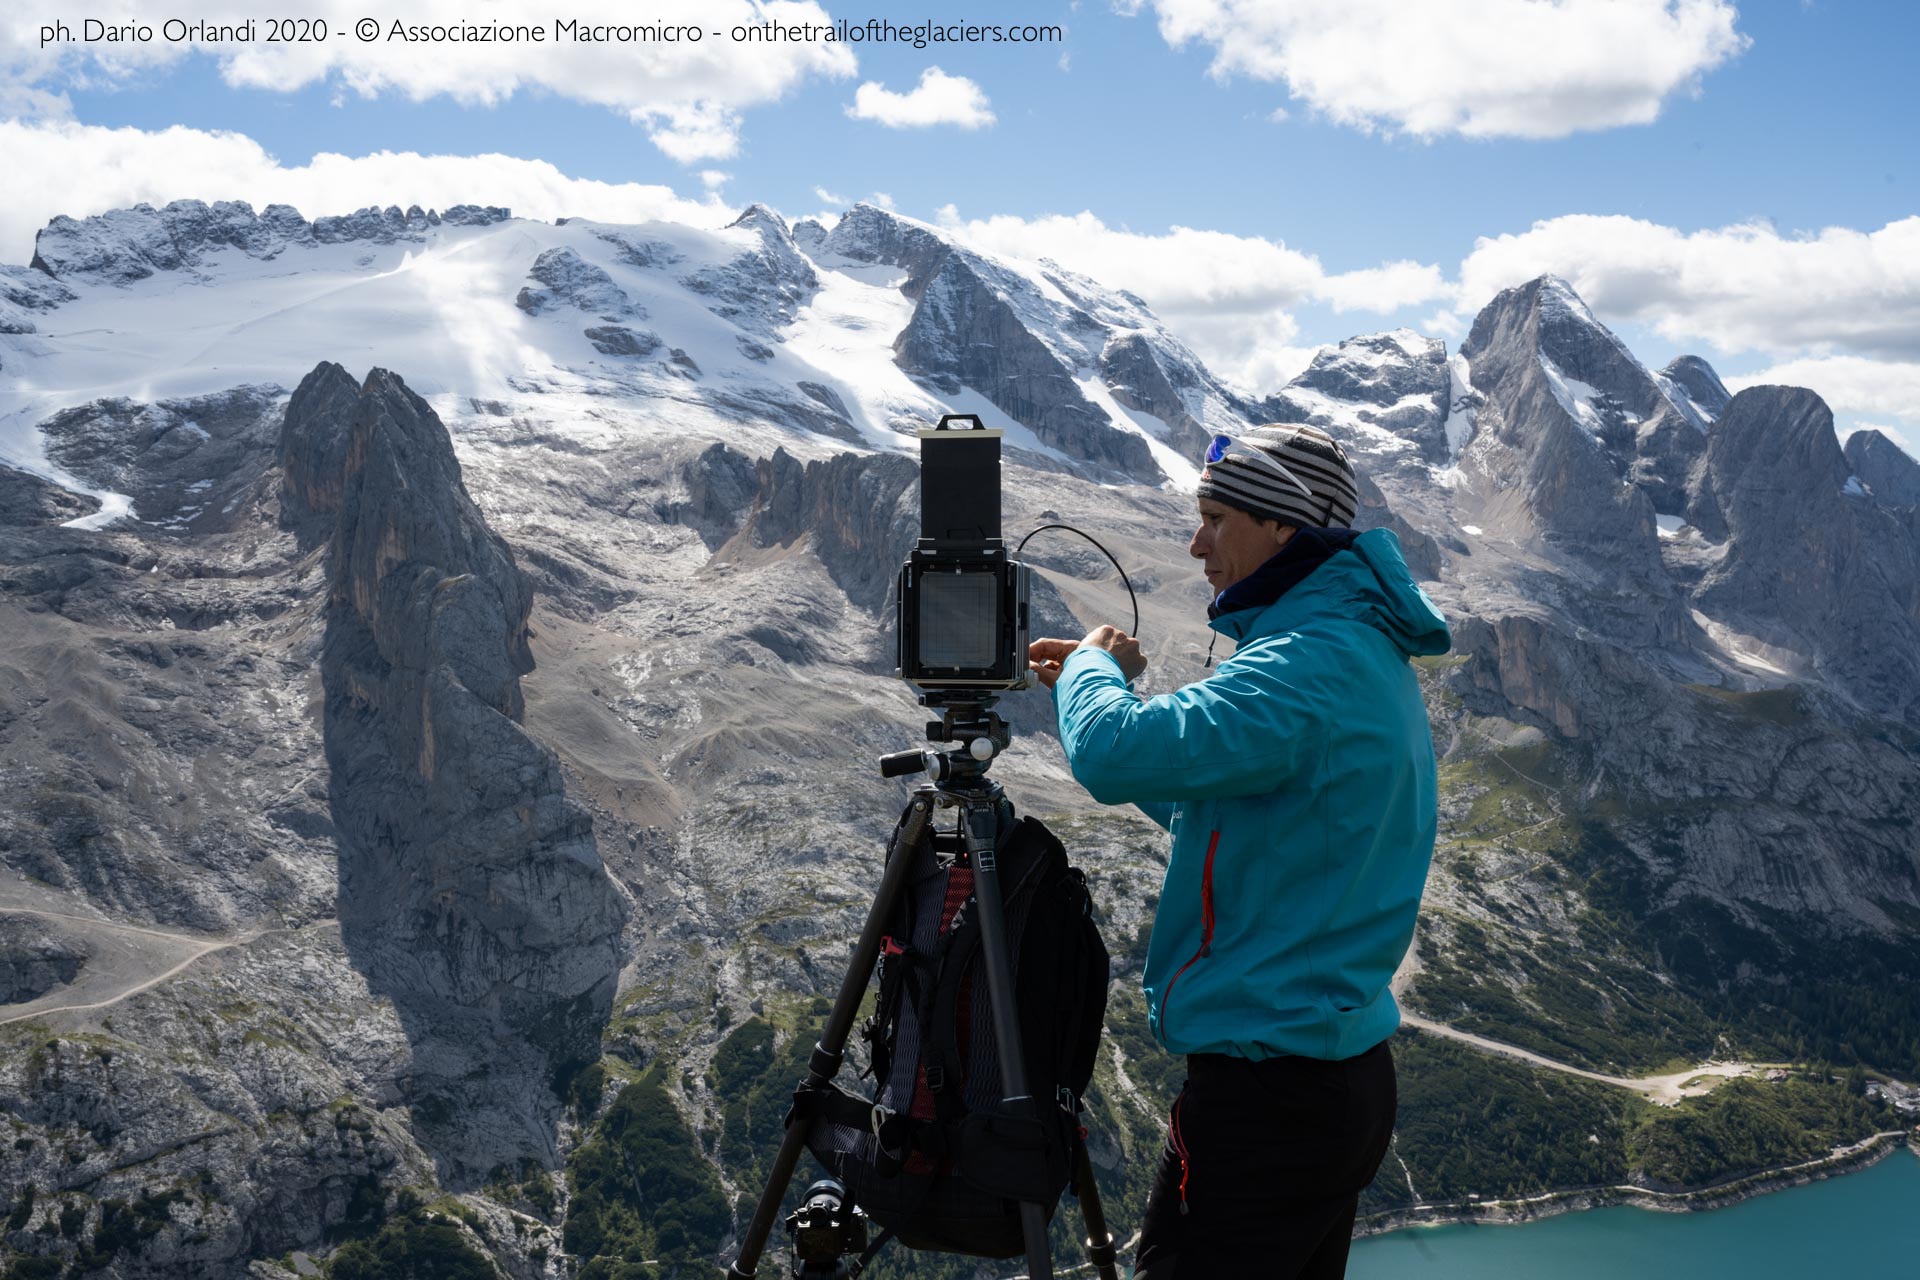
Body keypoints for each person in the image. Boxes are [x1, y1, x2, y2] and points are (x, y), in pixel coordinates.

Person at [1028, 424, 1450, 1279]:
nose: (1196, 544)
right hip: (1327, 1079)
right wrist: (1106, 690)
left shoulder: (1305, 664)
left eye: (1215, 518)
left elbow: (1110, 756)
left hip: (1269, 1098)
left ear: (1283, 527)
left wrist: (1091, 672)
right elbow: (1219, 809)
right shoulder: (1351, 647)